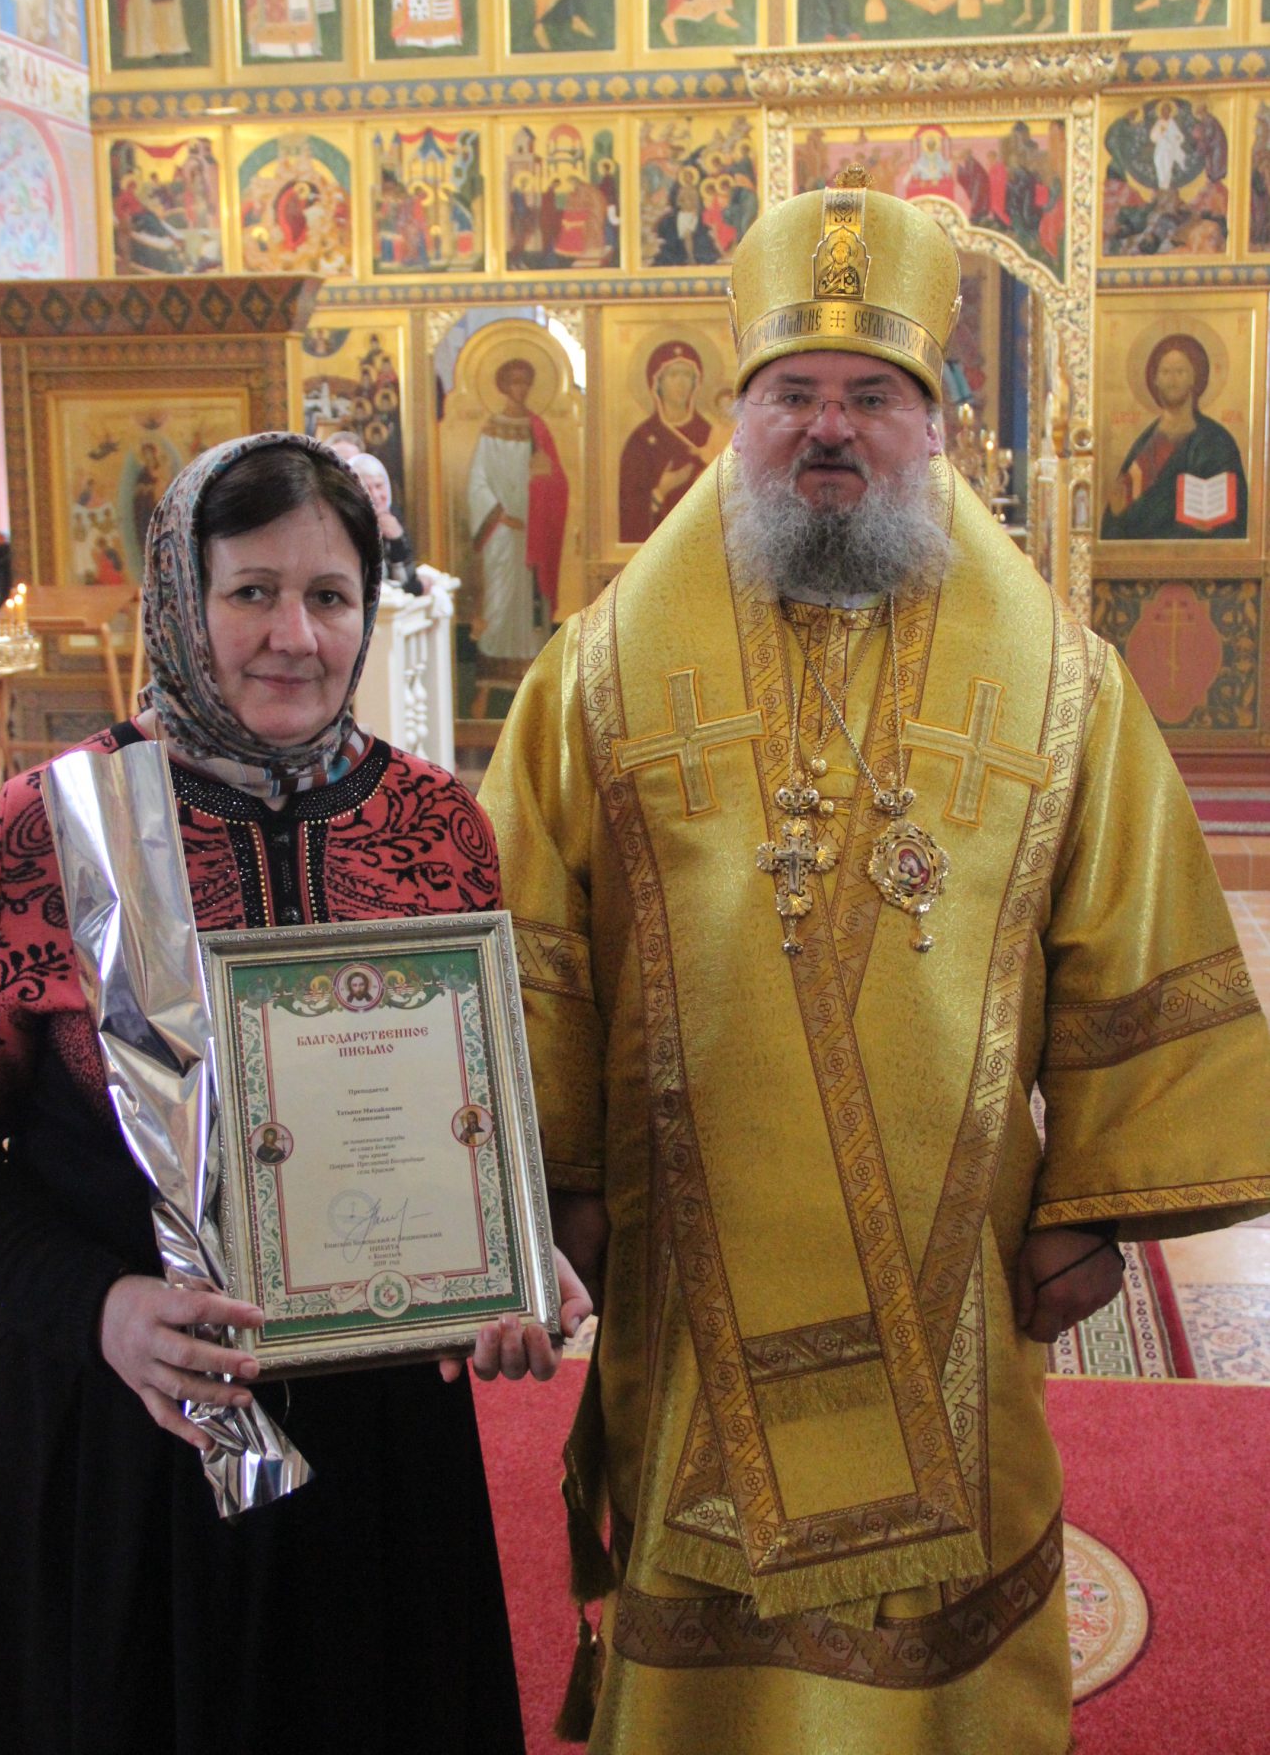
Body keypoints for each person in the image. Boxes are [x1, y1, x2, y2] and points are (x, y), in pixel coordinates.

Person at [480, 176, 1270, 1753]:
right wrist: (553, 1180)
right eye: (792, 394)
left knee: (956, 1548)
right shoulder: (597, 673)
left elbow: (1132, 928)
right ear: (735, 420)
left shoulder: (1062, 685)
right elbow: (534, 942)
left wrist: (1090, 1205)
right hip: (682, 1243)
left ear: (936, 428)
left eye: (871, 395)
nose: (828, 428)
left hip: (952, 1256)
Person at [0, 432, 590, 1753]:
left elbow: (465, 1112)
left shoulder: (438, 827)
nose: (295, 636)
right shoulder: (46, 834)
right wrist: (102, 1309)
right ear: (180, 595)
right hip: (121, 1436)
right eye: (252, 592)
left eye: (329, 595)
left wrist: (510, 1256)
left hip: (378, 1451)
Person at [467, 357, 569, 685]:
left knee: (529, 602)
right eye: (514, 382)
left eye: (525, 382)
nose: (520, 389)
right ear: (503, 386)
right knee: (499, 598)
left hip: (531, 532)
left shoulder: (537, 429)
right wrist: (499, 515)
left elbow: (558, 481)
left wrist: (545, 479)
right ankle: (491, 674)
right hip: (499, 530)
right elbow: (477, 480)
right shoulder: (491, 429)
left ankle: (532, 675)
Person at [1102, 331, 1248, 540]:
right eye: (1165, 372)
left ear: (1194, 378)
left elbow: (1236, 520)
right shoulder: (1146, 444)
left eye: (1180, 371)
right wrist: (1117, 514)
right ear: (1155, 380)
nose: (1172, 379)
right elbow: (1115, 522)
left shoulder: (1217, 441)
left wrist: (1212, 528)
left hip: (1200, 558)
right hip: (1144, 558)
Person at [618, 340, 712, 542]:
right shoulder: (641, 439)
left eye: (687, 375)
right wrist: (661, 491)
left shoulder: (710, 434)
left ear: (696, 382)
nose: (681, 383)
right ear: (657, 382)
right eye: (673, 375)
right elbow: (628, 507)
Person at [328, 437, 422, 592]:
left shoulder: (389, 516)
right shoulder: (332, 521)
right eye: (341, 462)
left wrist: (397, 540)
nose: (376, 495)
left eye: (379, 486)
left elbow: (408, 581)